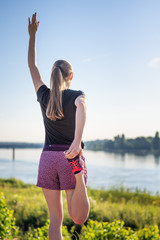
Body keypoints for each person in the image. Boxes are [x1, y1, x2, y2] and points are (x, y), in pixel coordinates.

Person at [28, 12, 90, 240]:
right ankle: (78, 173)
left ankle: (77, 172)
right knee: (79, 218)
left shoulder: (44, 95)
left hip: (47, 158)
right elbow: (82, 107)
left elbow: (32, 66)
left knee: (56, 219)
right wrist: (76, 142)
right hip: (69, 156)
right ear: (70, 75)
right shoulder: (77, 94)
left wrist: (32, 36)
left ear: (53, 74)